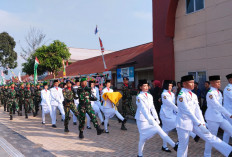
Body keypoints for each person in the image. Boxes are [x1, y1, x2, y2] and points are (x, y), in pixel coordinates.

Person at [176, 75, 232, 157]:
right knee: (183, 146)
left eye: (193, 82)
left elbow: (198, 110)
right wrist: (199, 124)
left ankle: (229, 151)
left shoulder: (193, 95)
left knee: (209, 136)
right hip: (183, 123)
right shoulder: (181, 95)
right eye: (190, 82)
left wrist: (202, 123)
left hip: (195, 122)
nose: (193, 84)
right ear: (184, 84)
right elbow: (187, 112)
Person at [135, 79, 178, 157]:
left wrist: (156, 118)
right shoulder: (139, 97)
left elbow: (152, 108)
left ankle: (174, 145)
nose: (146, 87)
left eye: (147, 85)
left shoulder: (150, 96)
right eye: (144, 86)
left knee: (159, 130)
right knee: (142, 138)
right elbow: (143, 109)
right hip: (142, 120)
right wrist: (149, 119)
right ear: (140, 87)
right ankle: (140, 154)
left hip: (150, 118)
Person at [160, 80, 199, 153]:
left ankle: (164, 146)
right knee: (177, 124)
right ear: (165, 86)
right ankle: (193, 136)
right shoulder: (164, 94)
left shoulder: (171, 93)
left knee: (165, 131)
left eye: (171, 85)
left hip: (172, 113)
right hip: (165, 114)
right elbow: (170, 104)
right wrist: (179, 110)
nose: (170, 87)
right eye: (169, 85)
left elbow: (174, 104)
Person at [204, 75, 232, 156]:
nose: (219, 83)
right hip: (212, 118)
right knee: (211, 138)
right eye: (217, 82)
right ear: (212, 83)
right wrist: (229, 114)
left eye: (219, 82)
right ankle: (207, 154)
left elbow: (221, 105)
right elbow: (217, 106)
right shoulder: (210, 93)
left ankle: (227, 151)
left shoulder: (219, 92)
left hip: (220, 117)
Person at [223, 73, 232, 143]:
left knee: (228, 130)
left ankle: (225, 146)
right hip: (229, 112)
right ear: (230, 80)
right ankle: (225, 146)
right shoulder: (228, 89)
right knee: (228, 130)